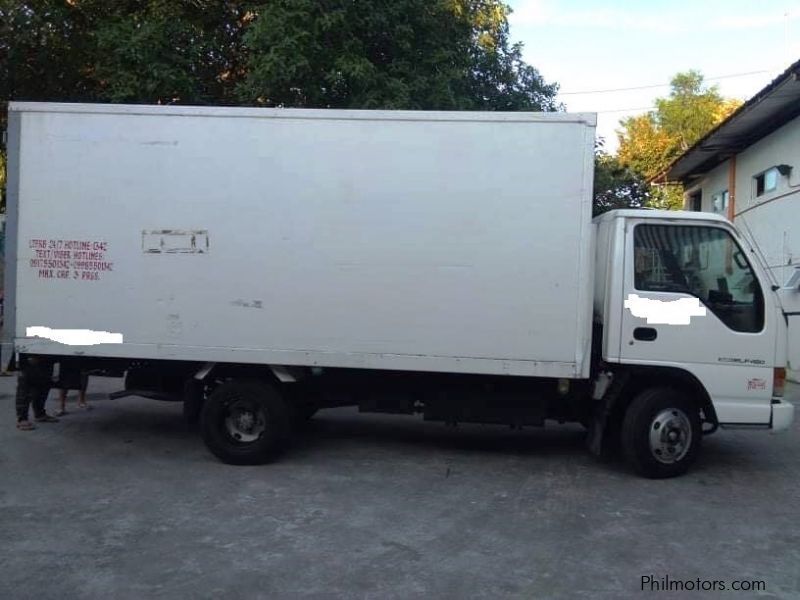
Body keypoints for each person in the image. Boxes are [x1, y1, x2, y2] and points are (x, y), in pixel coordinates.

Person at [15, 355, 59, 430]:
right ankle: (22, 418)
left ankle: (39, 414)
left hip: (46, 355)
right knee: (25, 388)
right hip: (28, 354)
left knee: (43, 385)